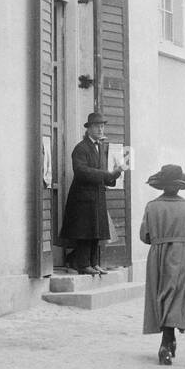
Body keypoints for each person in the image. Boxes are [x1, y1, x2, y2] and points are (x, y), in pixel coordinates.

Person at [139, 164, 185, 366]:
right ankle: (167, 342)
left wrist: (161, 238)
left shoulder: (151, 206)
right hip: (183, 254)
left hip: (157, 255)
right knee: (176, 295)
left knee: (162, 294)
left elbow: (145, 236)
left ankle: (168, 339)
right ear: (179, 187)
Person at [58, 111, 125, 275]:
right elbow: (81, 171)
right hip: (83, 198)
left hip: (96, 196)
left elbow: (101, 173)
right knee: (85, 232)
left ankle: (94, 263)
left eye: (102, 126)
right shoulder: (81, 148)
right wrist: (106, 175)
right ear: (89, 129)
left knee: (96, 232)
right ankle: (82, 264)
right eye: (97, 126)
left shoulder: (100, 148)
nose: (101, 130)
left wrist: (114, 175)